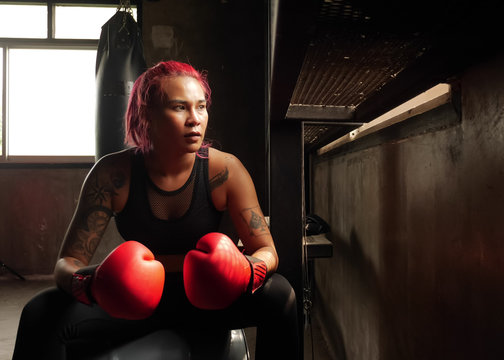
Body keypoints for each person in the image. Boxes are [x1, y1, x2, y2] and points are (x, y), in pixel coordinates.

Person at [12, 60, 299, 359]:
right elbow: (66, 263)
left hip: (209, 302)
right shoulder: (113, 174)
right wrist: (92, 283)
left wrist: (243, 270)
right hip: (135, 303)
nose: (195, 119)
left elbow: (268, 250)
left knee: (280, 295)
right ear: (147, 114)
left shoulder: (225, 170)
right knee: (39, 312)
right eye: (179, 107)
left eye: (200, 107)